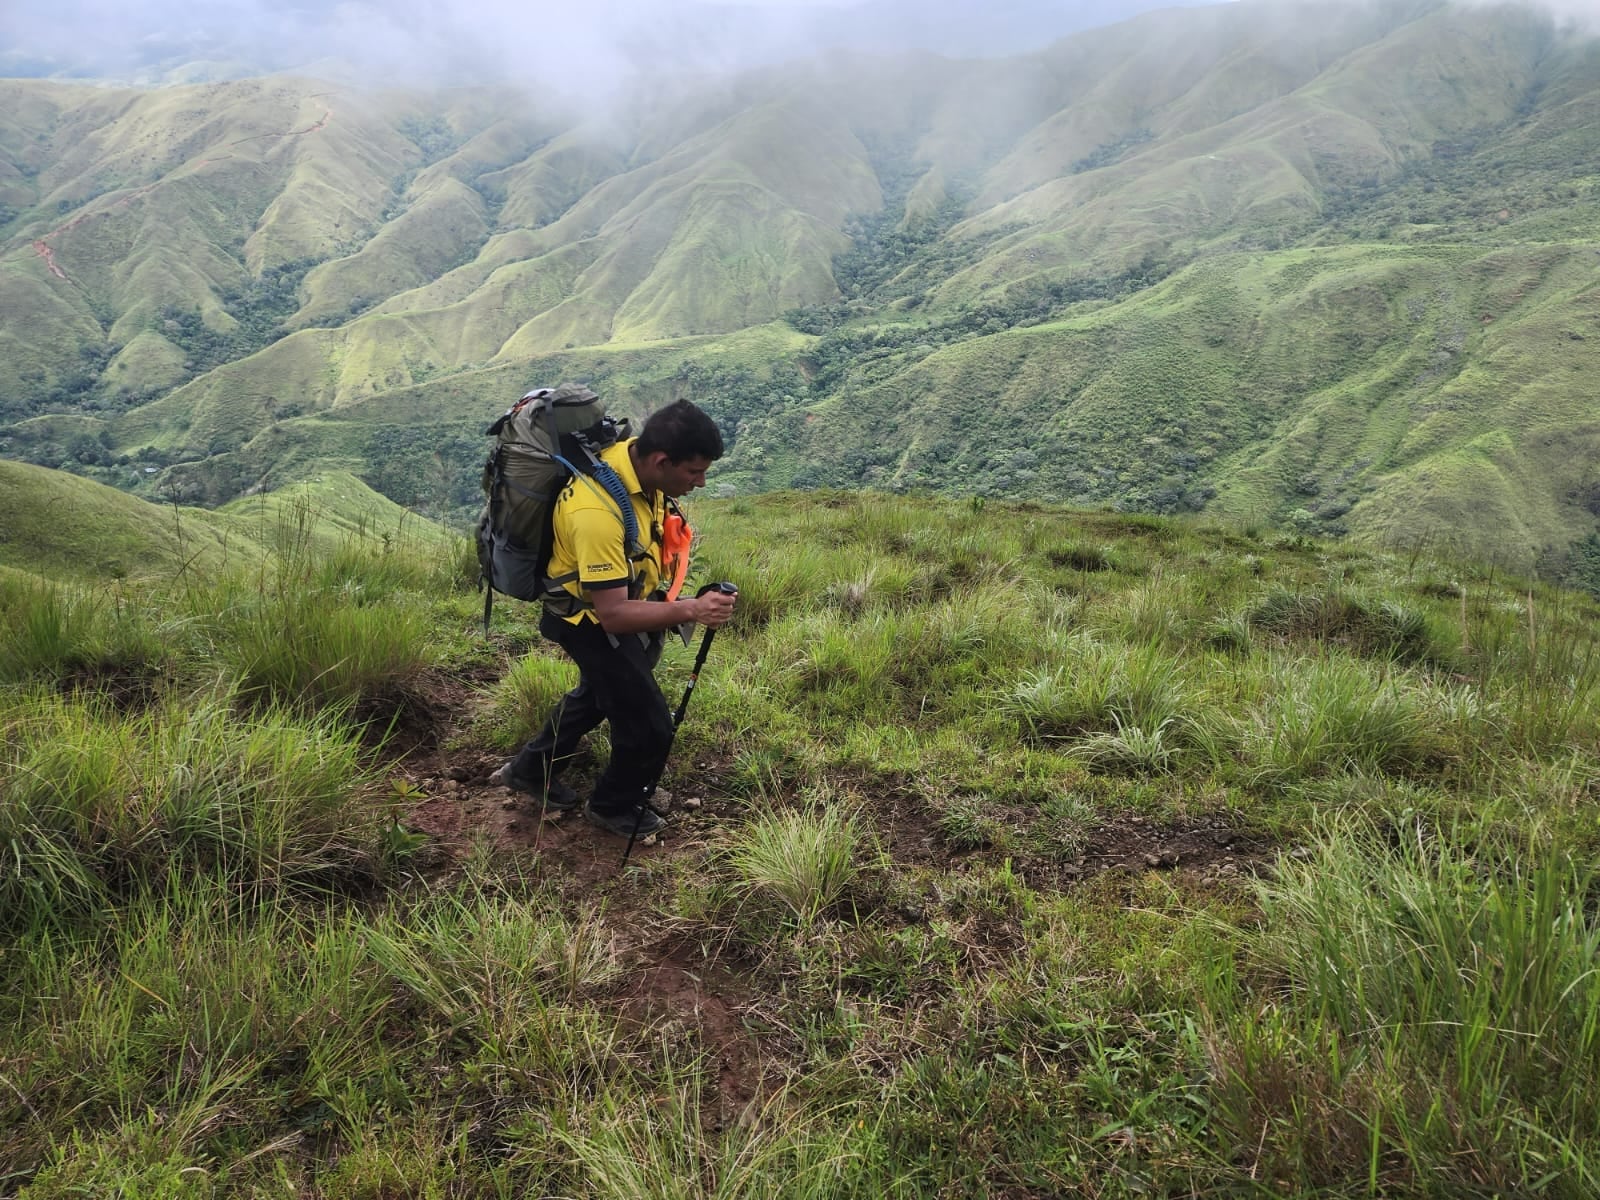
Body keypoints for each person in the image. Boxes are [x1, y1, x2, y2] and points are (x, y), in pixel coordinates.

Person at [492, 397, 737, 839]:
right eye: (694, 472)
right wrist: (693, 610)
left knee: (600, 694)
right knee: (649, 724)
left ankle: (530, 770)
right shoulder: (595, 512)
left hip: (612, 608)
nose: (700, 483)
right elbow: (613, 615)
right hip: (586, 622)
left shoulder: (633, 464)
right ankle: (612, 805)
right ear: (662, 460)